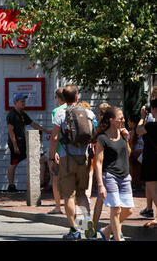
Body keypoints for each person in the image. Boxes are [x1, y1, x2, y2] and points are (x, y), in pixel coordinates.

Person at [49, 84, 96, 240]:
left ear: (64, 97)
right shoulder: (89, 113)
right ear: (77, 97)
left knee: (69, 195)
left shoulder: (60, 114)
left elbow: (55, 137)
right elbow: (94, 135)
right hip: (84, 158)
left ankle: (74, 230)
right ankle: (87, 221)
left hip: (66, 158)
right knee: (82, 192)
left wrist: (51, 157)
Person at [95, 106, 134, 241]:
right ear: (111, 120)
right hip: (110, 176)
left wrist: (127, 138)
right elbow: (98, 163)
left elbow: (128, 154)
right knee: (116, 209)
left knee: (128, 210)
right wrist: (100, 184)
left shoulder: (123, 134)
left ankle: (107, 230)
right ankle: (118, 239)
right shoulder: (102, 138)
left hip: (124, 176)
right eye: (120, 118)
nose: (123, 120)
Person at [6, 94, 51, 192]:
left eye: (24, 101)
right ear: (15, 103)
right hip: (16, 143)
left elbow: (33, 124)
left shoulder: (22, 114)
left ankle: (39, 183)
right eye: (21, 101)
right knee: (14, 163)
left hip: (24, 142)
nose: (23, 103)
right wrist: (15, 145)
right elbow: (10, 130)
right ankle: (11, 185)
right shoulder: (12, 115)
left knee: (35, 158)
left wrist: (47, 131)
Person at [136, 99, 157, 228]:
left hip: (151, 160)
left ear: (154, 109)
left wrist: (142, 117)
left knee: (152, 188)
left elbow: (138, 130)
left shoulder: (150, 126)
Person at [92, 102, 111, 235]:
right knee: (116, 203)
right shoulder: (113, 127)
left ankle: (93, 228)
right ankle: (113, 229)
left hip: (103, 165)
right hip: (113, 165)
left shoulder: (99, 128)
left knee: (100, 200)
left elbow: (93, 140)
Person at [47, 87, 66, 214]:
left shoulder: (56, 111)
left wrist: (52, 154)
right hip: (76, 150)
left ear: (58, 98)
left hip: (60, 149)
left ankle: (58, 206)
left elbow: (56, 134)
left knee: (56, 178)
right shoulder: (79, 109)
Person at [78, 101, 96, 198]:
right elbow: (95, 131)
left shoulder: (77, 117)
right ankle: (88, 192)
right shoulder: (92, 118)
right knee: (90, 171)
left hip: (78, 148)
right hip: (90, 146)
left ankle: (81, 191)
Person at [127, 114, 144, 191]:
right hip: (142, 154)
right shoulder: (142, 130)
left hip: (140, 154)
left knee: (129, 159)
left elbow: (131, 146)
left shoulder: (132, 132)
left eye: (129, 121)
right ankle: (138, 182)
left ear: (133, 123)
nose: (127, 123)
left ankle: (131, 182)